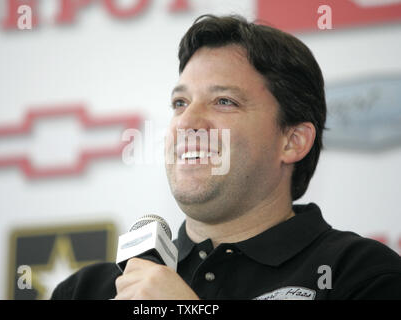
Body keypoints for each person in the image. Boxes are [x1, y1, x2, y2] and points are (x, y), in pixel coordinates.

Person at [51, 14, 401, 300]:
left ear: (293, 141)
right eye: (179, 103)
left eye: (224, 102)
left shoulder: (364, 277)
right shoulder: (85, 291)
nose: (187, 122)